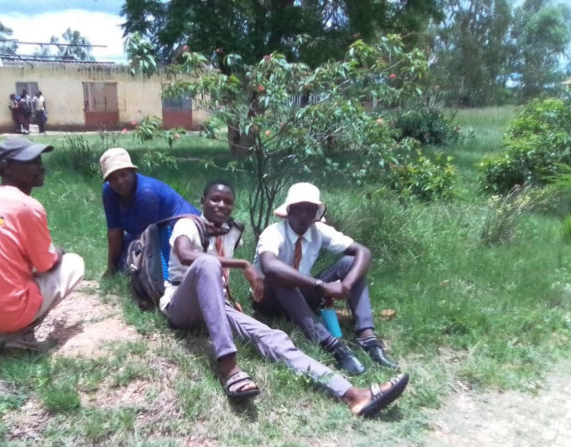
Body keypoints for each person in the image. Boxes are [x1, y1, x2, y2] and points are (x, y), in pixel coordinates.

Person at [159, 179, 408, 417]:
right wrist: (243, 264)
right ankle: (228, 366)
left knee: (275, 338)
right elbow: (184, 254)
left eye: (227, 201)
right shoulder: (187, 224)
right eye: (215, 199)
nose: (221, 205)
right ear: (203, 201)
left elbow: (360, 252)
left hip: (219, 305)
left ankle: (353, 394)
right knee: (206, 263)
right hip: (183, 305)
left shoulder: (232, 231)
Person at [0, 138, 84, 356]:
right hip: (8, 312)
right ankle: (19, 335)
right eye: (32, 162)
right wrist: (58, 252)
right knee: (75, 263)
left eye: (40, 161)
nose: (41, 167)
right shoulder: (27, 207)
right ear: (7, 167)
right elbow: (46, 265)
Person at [253, 182, 399, 375]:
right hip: (268, 299)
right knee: (279, 275)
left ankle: (368, 339)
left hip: (301, 294)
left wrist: (344, 286)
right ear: (289, 211)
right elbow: (269, 266)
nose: (304, 215)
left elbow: (363, 252)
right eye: (299, 209)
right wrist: (321, 285)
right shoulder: (274, 232)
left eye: (310, 210)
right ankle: (331, 345)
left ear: (316, 213)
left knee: (349, 262)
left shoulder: (319, 231)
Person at [100, 147, 199, 276]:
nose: (119, 181)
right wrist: (111, 268)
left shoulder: (146, 193)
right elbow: (114, 231)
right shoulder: (109, 191)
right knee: (123, 259)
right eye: (113, 178)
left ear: (133, 172)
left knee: (132, 265)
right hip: (151, 232)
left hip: (178, 232)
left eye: (124, 175)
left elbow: (146, 239)